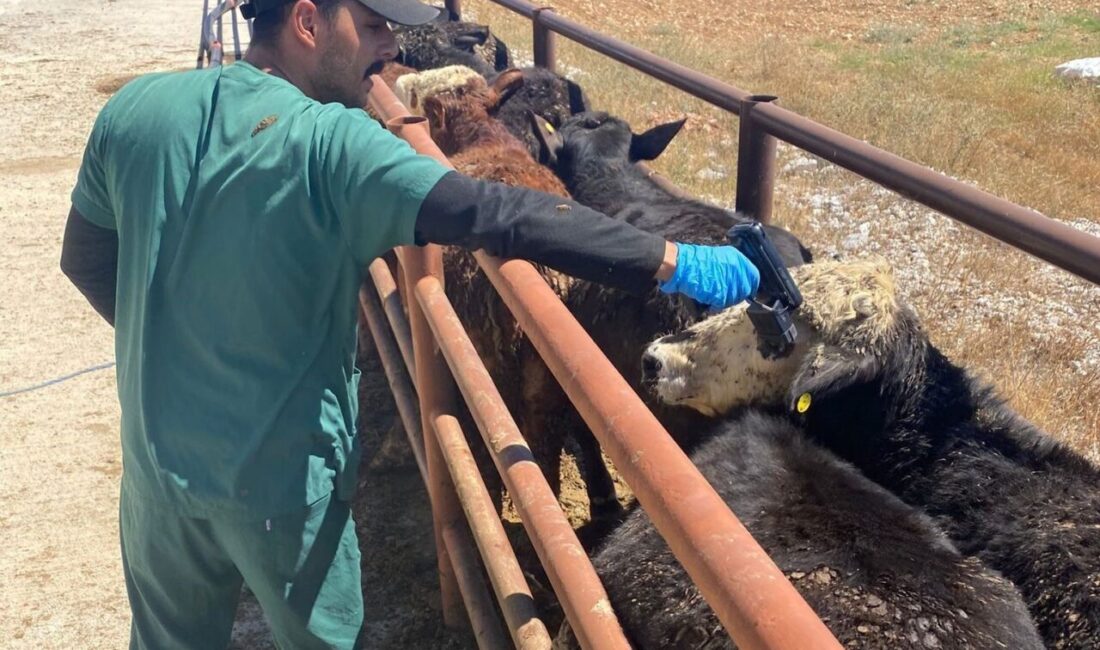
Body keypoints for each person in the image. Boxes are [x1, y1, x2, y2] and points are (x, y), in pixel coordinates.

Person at [59, 0, 760, 647]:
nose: (390, 46)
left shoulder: (135, 110)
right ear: (307, 21)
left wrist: (180, 347)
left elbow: (84, 260)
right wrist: (672, 259)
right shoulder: (330, 143)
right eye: (372, 25)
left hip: (157, 466)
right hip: (280, 486)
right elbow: (497, 214)